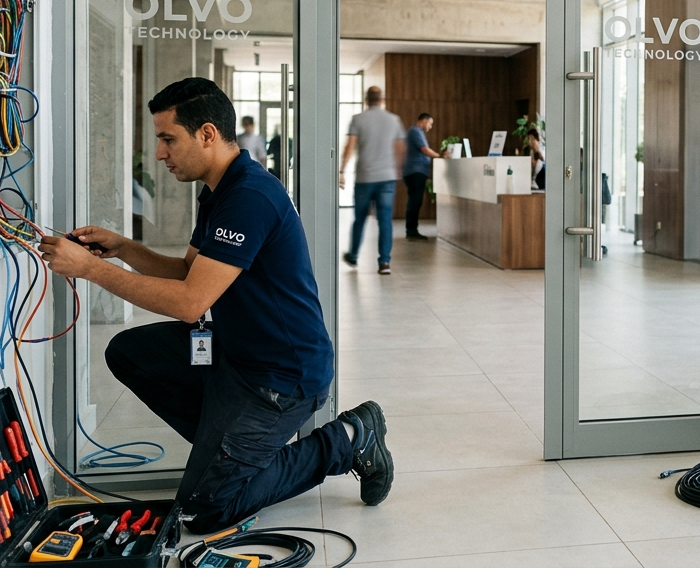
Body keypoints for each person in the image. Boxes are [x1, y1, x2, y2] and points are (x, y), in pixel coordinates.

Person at [38, 77, 394, 533]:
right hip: (235, 356)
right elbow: (190, 272)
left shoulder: (249, 196)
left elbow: (190, 303)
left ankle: (349, 439)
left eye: (169, 139)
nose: (161, 152)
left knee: (207, 510)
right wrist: (123, 248)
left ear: (207, 134)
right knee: (127, 352)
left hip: (281, 377)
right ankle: (226, 447)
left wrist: (90, 271)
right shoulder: (219, 190)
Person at [339, 86, 405, 274]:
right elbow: (400, 148)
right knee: (385, 220)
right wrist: (397, 170)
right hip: (387, 178)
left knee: (359, 218)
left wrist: (342, 170)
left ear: (366, 99)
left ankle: (353, 256)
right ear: (381, 99)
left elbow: (349, 147)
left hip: (364, 177)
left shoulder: (358, 119)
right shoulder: (394, 120)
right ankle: (384, 262)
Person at [403, 113, 446, 241]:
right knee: (415, 202)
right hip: (415, 172)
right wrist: (439, 156)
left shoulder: (415, 131)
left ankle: (411, 230)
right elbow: (424, 149)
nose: (430, 127)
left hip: (415, 171)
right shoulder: (415, 131)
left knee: (415, 201)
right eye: (430, 123)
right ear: (423, 121)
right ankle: (411, 231)